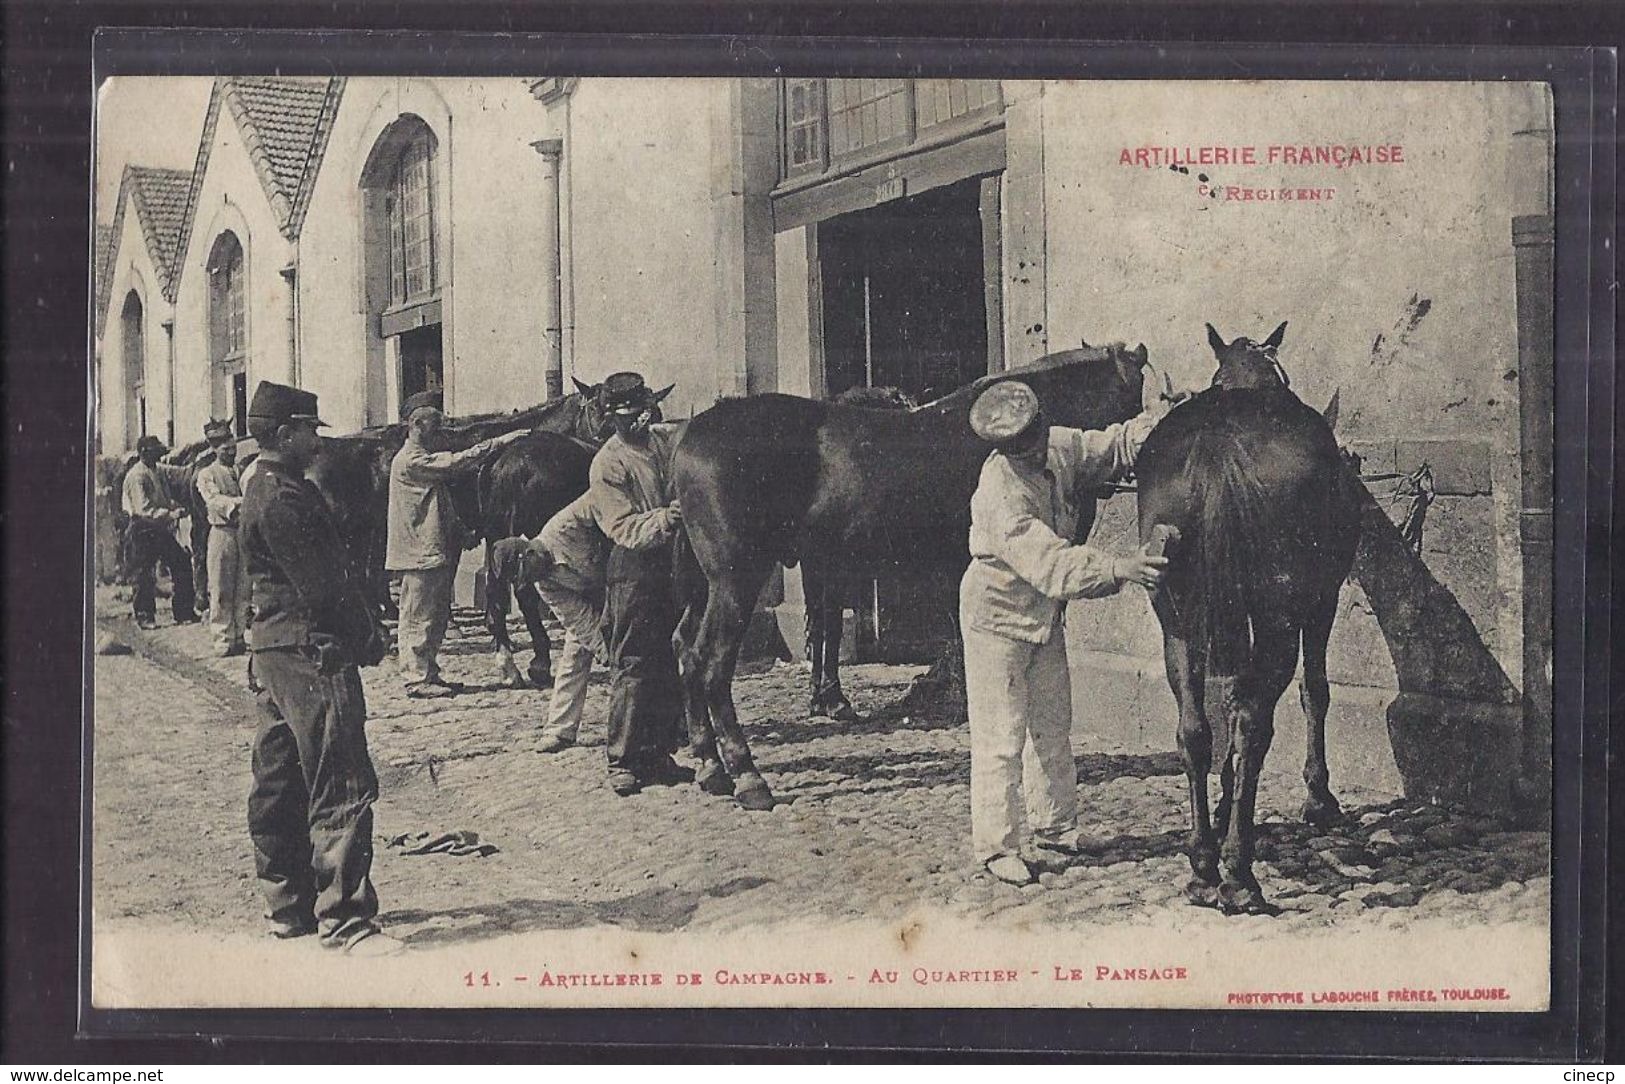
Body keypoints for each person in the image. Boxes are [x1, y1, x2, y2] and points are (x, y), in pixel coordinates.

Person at [960, 380, 1171, 887]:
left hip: (1043, 616)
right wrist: (1120, 567)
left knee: (1052, 726)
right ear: (1003, 448)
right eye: (1020, 445)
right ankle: (997, 846)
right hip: (997, 618)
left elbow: (1112, 447)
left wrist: (1156, 419)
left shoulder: (1058, 444)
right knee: (1001, 736)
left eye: (1035, 435)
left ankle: (1055, 826)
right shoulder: (999, 493)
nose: (1033, 449)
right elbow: (1052, 564)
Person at [241, 380, 399, 954]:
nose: (316, 438)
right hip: (314, 649)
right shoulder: (284, 496)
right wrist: (367, 639)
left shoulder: (261, 486)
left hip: (276, 649)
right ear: (285, 434)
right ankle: (346, 918)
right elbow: (327, 588)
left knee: (280, 778)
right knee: (340, 776)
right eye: (309, 428)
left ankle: (290, 907)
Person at [584, 371, 690, 797]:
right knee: (632, 663)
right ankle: (623, 758)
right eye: (628, 417)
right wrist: (667, 517)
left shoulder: (660, 441)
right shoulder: (608, 463)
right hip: (632, 569)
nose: (638, 423)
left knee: (667, 660)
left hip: (668, 566)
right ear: (612, 418)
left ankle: (659, 753)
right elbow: (622, 527)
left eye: (642, 413)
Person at [384, 390, 526, 698]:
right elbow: (457, 462)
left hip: (432, 548)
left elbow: (438, 504)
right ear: (417, 424)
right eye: (435, 424)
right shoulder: (411, 460)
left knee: (433, 616)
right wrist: (500, 441)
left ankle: (429, 672)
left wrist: (461, 532)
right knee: (417, 616)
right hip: (419, 552)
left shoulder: (419, 459)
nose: (441, 431)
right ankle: (416, 678)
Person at [490, 490, 610, 755]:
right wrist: (609, 653)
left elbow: (603, 499)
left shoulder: (567, 524)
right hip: (594, 602)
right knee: (574, 656)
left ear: (528, 552)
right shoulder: (543, 582)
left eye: (526, 573)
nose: (531, 581)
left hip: (622, 580)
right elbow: (579, 620)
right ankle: (560, 730)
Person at [121, 434, 199, 630]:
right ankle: (145, 616)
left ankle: (184, 611)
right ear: (144, 453)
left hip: (159, 529)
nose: (158, 455)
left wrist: (199, 456)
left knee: (180, 561)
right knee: (143, 574)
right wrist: (173, 514)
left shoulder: (157, 469)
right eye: (154, 452)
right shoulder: (136, 475)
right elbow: (144, 510)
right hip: (142, 529)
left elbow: (180, 473)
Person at [195, 420, 249, 655]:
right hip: (222, 532)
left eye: (231, 444)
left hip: (241, 532)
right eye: (223, 446)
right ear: (214, 448)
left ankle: (238, 635)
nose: (229, 449)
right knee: (221, 586)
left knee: (243, 586)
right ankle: (222, 638)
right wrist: (241, 503)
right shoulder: (207, 474)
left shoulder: (240, 471)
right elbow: (215, 501)